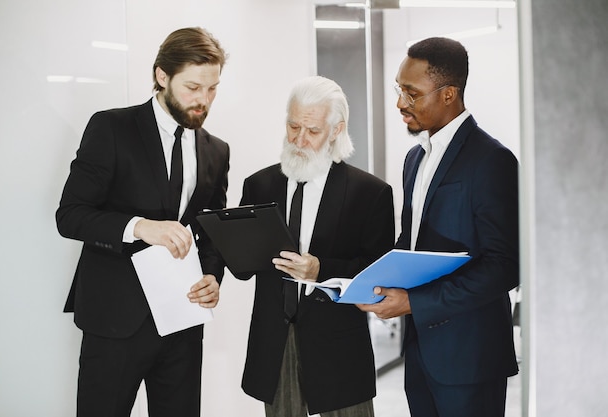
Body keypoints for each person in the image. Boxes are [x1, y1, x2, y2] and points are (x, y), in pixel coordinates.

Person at [56, 27, 229, 417]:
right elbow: (70, 216)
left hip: (183, 324)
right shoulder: (111, 128)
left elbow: (211, 232)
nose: (204, 100)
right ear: (161, 76)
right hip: (115, 322)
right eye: (193, 87)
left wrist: (213, 277)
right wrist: (139, 226)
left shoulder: (217, 150)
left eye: (213, 89)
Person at [357, 37, 519, 417]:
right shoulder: (415, 159)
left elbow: (505, 265)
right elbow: (411, 244)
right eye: (400, 90)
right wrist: (369, 284)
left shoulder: (492, 160)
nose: (400, 103)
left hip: (470, 360)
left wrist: (414, 302)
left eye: (412, 94)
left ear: (449, 95)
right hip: (419, 354)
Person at [235, 75, 395, 417]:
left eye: (312, 131)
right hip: (274, 346)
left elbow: (377, 274)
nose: (299, 140)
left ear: (336, 130)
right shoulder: (259, 185)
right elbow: (242, 267)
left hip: (339, 350)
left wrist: (321, 269)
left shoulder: (370, 194)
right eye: (293, 126)